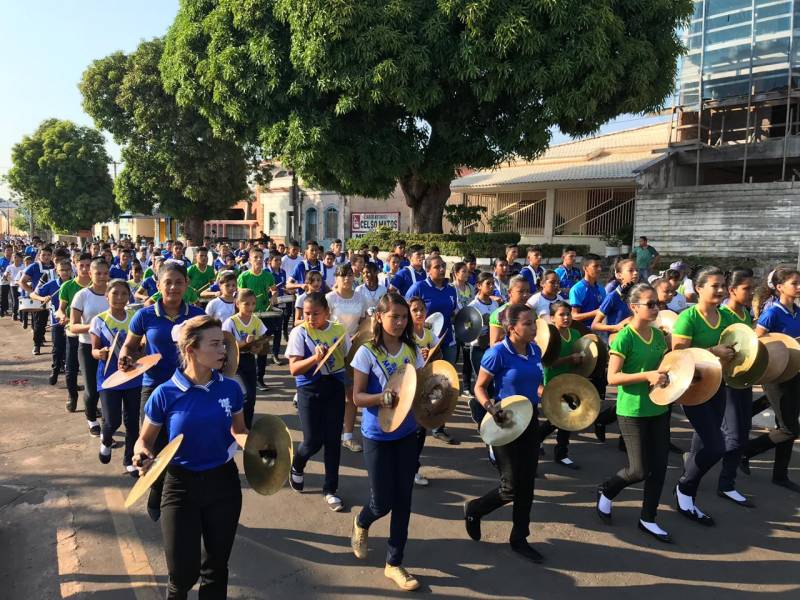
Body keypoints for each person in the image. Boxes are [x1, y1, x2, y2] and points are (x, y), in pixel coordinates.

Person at [133, 316, 247, 599]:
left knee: (216, 569)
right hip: (180, 486)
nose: (224, 350)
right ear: (191, 350)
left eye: (223, 343)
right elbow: (144, 440)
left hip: (223, 484)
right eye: (216, 344)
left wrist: (260, 447)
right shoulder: (164, 393)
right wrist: (141, 454)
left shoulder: (230, 388)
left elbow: (239, 431)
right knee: (182, 574)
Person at [121, 261, 206, 521]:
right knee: (154, 446)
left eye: (178, 282)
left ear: (186, 285)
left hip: (190, 389)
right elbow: (129, 347)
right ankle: (156, 490)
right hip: (155, 387)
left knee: (185, 444)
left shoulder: (197, 316)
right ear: (158, 285)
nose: (173, 287)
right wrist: (125, 357)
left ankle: (182, 497)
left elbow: (214, 347)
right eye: (167, 282)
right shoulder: (145, 315)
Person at [350, 293, 424, 591]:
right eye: (395, 316)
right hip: (377, 435)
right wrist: (381, 398)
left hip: (407, 433)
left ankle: (394, 563)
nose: (401, 321)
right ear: (379, 317)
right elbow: (356, 398)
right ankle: (362, 522)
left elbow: (417, 387)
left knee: (403, 499)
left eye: (404, 316)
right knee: (382, 502)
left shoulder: (411, 349)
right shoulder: (365, 353)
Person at [464, 304, 545, 563]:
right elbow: (479, 387)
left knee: (528, 484)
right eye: (528, 323)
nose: (534, 327)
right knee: (510, 487)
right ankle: (475, 509)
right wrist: (490, 407)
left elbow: (536, 382)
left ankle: (519, 538)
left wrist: (549, 394)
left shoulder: (535, 349)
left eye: (534, 322)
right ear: (512, 328)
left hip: (530, 420)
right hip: (504, 421)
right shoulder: (497, 353)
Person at [597, 283, 672, 542]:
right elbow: (612, 377)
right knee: (638, 470)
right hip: (633, 411)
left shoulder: (659, 337)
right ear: (633, 307)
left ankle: (648, 518)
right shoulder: (625, 337)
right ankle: (607, 490)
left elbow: (664, 368)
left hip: (659, 408)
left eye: (657, 304)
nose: (655, 308)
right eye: (649, 304)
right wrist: (647, 376)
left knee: (660, 468)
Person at [671, 266, 737, 524]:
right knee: (716, 446)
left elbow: (734, 349)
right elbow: (678, 357)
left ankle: (689, 491)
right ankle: (685, 487)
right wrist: (713, 351)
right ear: (698, 289)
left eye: (723, 285)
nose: (721, 290)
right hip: (692, 388)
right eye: (715, 286)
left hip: (717, 386)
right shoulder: (688, 318)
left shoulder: (727, 318)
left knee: (701, 441)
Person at [286, 292, 350, 511]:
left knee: (333, 440)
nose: (310, 318)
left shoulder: (339, 330)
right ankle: (297, 464)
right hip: (309, 389)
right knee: (313, 441)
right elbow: (294, 369)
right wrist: (315, 358)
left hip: (334, 387)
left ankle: (331, 489)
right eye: (306, 313)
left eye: (316, 313)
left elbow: (349, 357)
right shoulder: (299, 333)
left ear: (327, 312)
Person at [742, 268, 800, 493]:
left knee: (786, 424)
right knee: (789, 429)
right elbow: (757, 343)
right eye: (794, 283)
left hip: (795, 373)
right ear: (779, 287)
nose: (798, 287)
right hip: (777, 375)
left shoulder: (796, 311)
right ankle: (744, 450)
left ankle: (780, 475)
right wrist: (786, 344)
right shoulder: (772, 313)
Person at [712, 268, 757, 505]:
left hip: (743, 381)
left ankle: (693, 465)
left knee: (741, 432)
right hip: (725, 383)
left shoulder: (746, 315)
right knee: (735, 437)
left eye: (752, 288)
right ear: (732, 290)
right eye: (746, 288)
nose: (751, 293)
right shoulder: (722, 317)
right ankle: (726, 484)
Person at [405, 255, 459, 445]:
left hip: (446, 343)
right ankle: (415, 425)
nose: (442, 269)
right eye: (437, 267)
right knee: (421, 386)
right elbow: (406, 311)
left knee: (444, 386)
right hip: (420, 345)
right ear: (428, 270)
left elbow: (454, 312)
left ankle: (438, 426)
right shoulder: (418, 287)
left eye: (443, 266)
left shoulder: (451, 289)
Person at [90, 279, 141, 475]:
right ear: (107, 296)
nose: (119, 298)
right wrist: (100, 353)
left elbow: (140, 347)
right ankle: (106, 438)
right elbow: (94, 350)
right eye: (115, 293)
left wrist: (138, 353)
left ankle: (130, 460)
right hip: (108, 378)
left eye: (124, 294)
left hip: (133, 376)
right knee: (112, 420)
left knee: (132, 422)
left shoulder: (135, 318)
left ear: (129, 296)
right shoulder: (99, 320)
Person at [326, 263, 367, 453]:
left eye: (350, 275)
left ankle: (348, 436)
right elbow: (323, 323)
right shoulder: (330, 298)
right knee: (332, 394)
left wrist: (359, 336)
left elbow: (364, 321)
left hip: (355, 349)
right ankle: (329, 432)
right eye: (343, 275)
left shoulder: (360, 297)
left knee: (351, 395)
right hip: (332, 350)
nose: (347, 279)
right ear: (336, 278)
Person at [539, 300, 585, 469]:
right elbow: (548, 363)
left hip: (571, 381)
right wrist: (569, 359)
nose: (566, 318)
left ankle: (561, 452)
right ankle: (538, 440)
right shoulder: (549, 336)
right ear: (552, 318)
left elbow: (582, 358)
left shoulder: (575, 334)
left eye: (568, 314)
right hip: (554, 382)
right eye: (561, 315)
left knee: (567, 417)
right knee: (557, 418)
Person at [70, 258, 111, 437]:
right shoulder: (82, 295)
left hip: (112, 348)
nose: (102, 277)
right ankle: (91, 419)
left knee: (109, 388)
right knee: (92, 389)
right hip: (87, 346)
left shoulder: (115, 292)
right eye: (98, 273)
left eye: (105, 273)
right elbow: (73, 326)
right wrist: (95, 326)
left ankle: (107, 424)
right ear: (90, 274)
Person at [222, 289, 267, 428]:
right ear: (237, 304)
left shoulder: (256, 321)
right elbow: (224, 345)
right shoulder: (231, 322)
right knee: (240, 395)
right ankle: (233, 425)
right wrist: (244, 343)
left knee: (252, 397)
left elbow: (263, 342)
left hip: (249, 361)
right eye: (246, 304)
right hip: (233, 362)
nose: (251, 307)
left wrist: (257, 347)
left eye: (253, 304)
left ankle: (247, 427)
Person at [408, 296, 440, 486]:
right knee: (412, 430)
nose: (419, 313)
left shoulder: (428, 334)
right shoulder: (406, 335)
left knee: (420, 430)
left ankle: (413, 469)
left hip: (425, 386)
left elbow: (437, 350)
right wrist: (417, 356)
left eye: (421, 309)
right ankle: (408, 468)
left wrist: (431, 353)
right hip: (410, 386)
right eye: (415, 310)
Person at [237, 248, 276, 391]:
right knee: (246, 348)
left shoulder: (268, 275)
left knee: (262, 349)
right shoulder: (244, 277)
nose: (259, 260)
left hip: (264, 316)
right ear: (250, 260)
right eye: (255, 258)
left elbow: (274, 289)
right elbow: (241, 298)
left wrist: (273, 295)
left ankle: (260, 378)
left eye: (261, 257)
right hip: (247, 318)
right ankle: (243, 378)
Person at [57, 253, 92, 412]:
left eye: (87, 265)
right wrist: (63, 316)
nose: (84, 269)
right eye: (81, 265)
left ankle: (91, 404)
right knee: (71, 369)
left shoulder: (99, 286)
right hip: (74, 334)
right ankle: (72, 396)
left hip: (94, 335)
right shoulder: (68, 286)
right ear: (75, 266)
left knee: (92, 372)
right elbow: (61, 309)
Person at [31, 259, 72, 386]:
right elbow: (33, 294)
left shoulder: (75, 284)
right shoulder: (52, 284)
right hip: (57, 322)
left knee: (70, 351)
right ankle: (55, 370)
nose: (65, 272)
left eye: (67, 269)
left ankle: (70, 378)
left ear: (71, 270)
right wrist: (43, 298)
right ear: (57, 271)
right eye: (62, 270)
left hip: (73, 323)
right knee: (57, 348)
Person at [591, 258, 637, 335]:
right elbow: (594, 325)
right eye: (631, 270)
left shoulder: (639, 294)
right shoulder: (612, 297)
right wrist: (616, 327)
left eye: (637, 270)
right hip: (616, 341)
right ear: (619, 275)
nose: (635, 273)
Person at [489, 276, 532, 346]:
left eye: (527, 291)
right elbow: (493, 344)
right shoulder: (499, 314)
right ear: (509, 292)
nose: (525, 295)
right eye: (521, 291)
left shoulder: (530, 312)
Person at [266, 251, 292, 351]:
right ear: (269, 261)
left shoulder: (283, 272)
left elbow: (284, 286)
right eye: (276, 260)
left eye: (280, 260)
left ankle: (275, 354)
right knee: (267, 330)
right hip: (268, 304)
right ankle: (264, 352)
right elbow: (265, 289)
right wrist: (272, 289)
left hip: (280, 303)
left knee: (278, 329)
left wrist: (288, 291)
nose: (278, 262)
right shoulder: (265, 273)